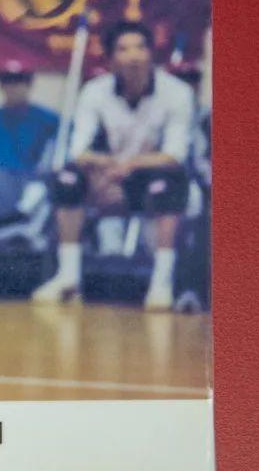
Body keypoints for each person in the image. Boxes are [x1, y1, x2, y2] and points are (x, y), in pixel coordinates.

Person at [32, 21, 194, 310]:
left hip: (150, 176)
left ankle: (161, 283)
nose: (133, 56)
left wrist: (130, 165)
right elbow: (79, 151)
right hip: (105, 176)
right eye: (123, 49)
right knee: (66, 179)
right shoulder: (94, 92)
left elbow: (175, 154)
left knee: (170, 184)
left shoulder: (177, 93)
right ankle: (68, 277)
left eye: (140, 48)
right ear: (110, 59)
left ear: (151, 53)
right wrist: (107, 167)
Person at [0, 60, 60, 173]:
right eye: (6, 81)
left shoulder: (50, 120)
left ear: (29, 84)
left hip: (32, 179)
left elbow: (53, 158)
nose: (12, 87)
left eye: (19, 80)